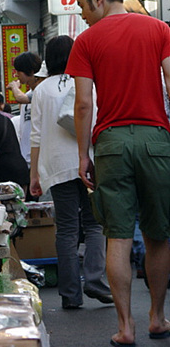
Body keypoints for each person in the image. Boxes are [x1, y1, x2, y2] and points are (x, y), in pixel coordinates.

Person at [67, 0, 170, 346]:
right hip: (156, 139)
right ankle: (157, 317)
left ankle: (126, 328)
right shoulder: (158, 29)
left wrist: (83, 155)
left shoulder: (86, 42)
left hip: (110, 143)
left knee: (119, 237)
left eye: (81, 6)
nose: (82, 16)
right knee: (160, 234)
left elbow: (82, 104)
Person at [29, 35, 112, 310]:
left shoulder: (41, 90)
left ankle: (70, 294)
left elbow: (36, 135)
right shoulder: (87, 83)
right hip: (89, 161)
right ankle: (95, 281)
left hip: (56, 166)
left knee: (66, 229)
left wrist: (34, 175)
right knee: (94, 224)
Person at [5, 53, 46, 167]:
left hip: (41, 158)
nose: (16, 75)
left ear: (30, 71)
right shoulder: (29, 95)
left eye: (18, 71)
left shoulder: (42, 91)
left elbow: (20, 98)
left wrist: (14, 87)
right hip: (26, 157)